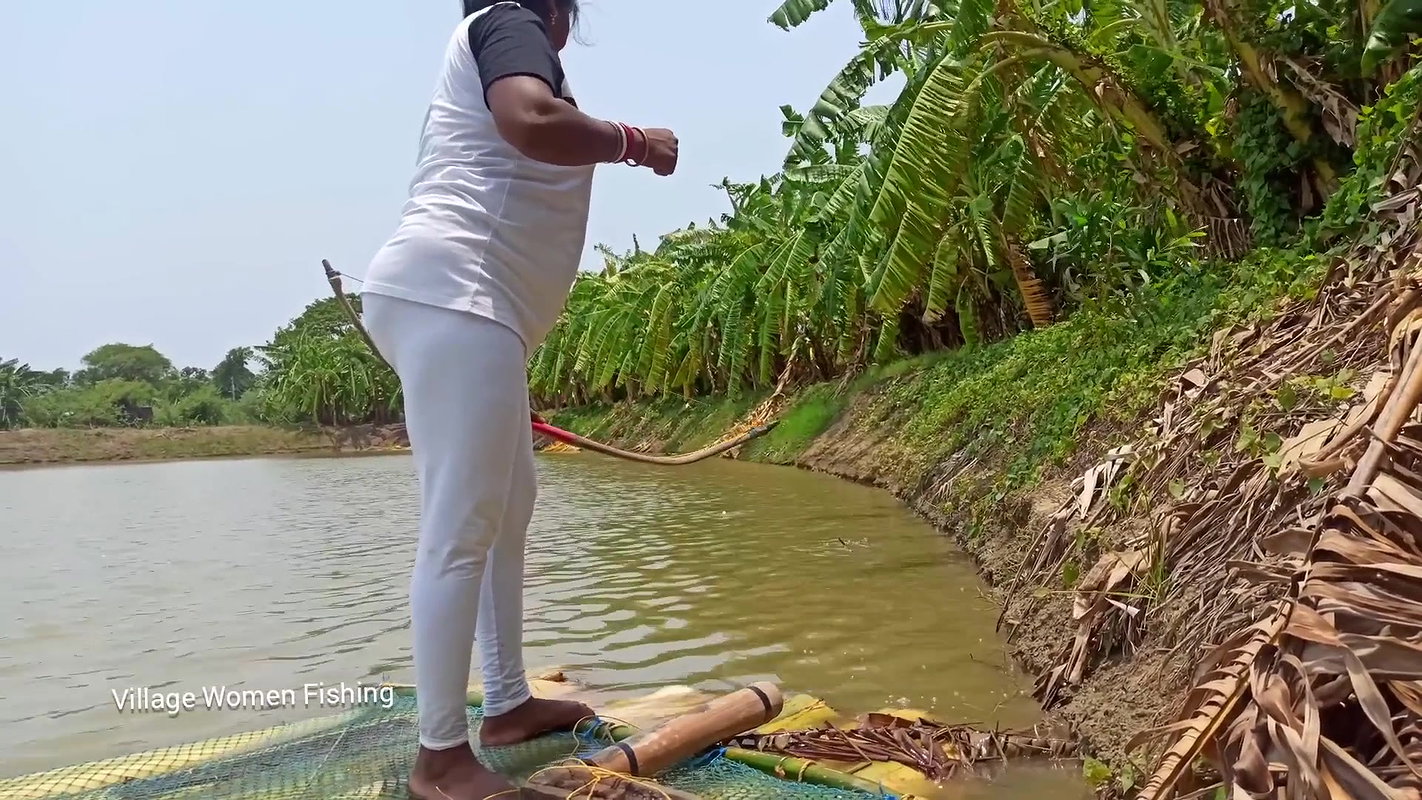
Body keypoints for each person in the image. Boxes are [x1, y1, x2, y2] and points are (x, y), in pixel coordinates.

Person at [358, 1, 678, 797]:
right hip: (457, 294)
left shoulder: (502, 37)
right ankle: (440, 759)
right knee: (462, 525)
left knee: (507, 508)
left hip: (471, 306)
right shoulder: (507, 20)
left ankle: (505, 705)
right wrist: (636, 143)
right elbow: (530, 120)